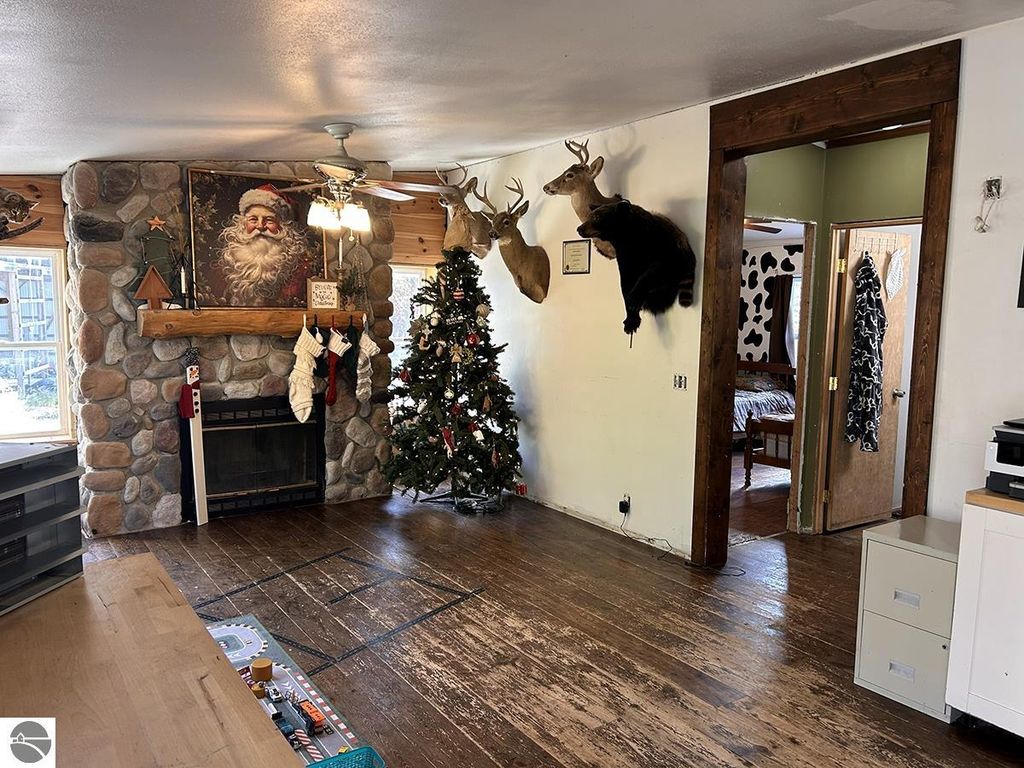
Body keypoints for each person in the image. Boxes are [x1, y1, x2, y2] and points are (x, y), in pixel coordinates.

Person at [214, 184, 313, 306]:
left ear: (283, 227)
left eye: (269, 220)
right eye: (253, 219)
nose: (260, 226)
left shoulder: (302, 269)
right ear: (242, 224)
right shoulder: (226, 267)